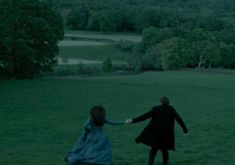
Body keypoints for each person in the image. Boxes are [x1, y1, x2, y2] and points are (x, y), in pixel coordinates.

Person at [126, 96, 188, 165]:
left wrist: (132, 120)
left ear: (161, 102)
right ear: (168, 103)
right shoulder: (171, 110)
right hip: (165, 135)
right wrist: (185, 130)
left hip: (156, 134)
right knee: (164, 151)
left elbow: (144, 116)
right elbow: (179, 119)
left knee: (153, 150)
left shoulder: (156, 108)